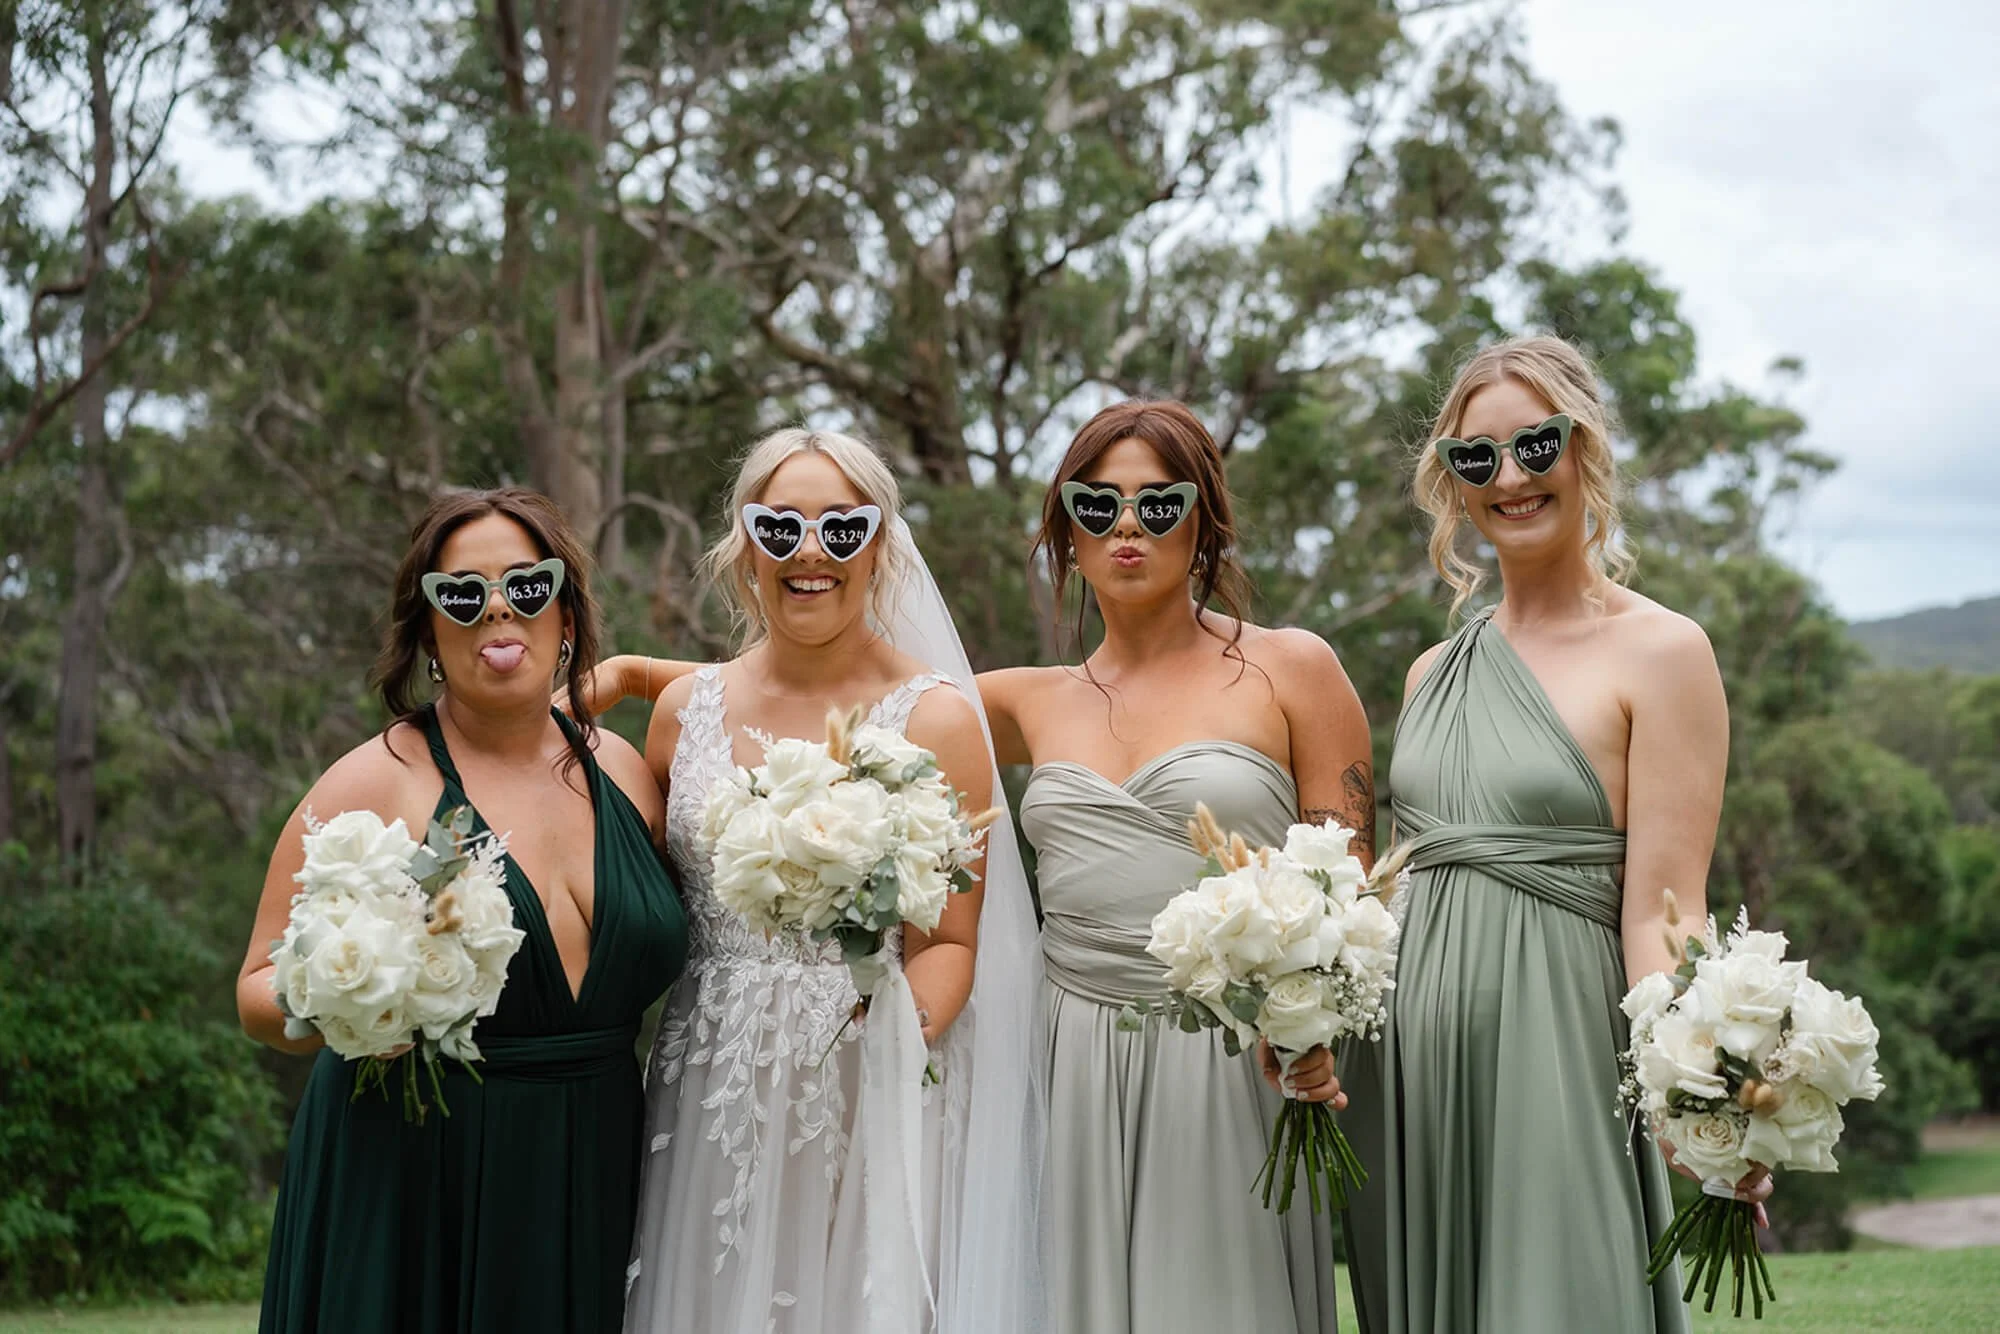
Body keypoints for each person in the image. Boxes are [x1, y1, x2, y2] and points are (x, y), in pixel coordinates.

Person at [1338, 335, 1760, 1332]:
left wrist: (1696, 1086)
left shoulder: (1661, 651)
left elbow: (1667, 905)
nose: (1510, 477)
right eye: (1474, 458)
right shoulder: (1429, 671)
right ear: (1448, 480)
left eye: (1535, 444)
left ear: (1583, 447)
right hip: (1416, 1075)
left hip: (1559, 1052)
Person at [621, 428, 1045, 1334]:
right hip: (709, 1080)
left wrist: (889, 1034)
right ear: (746, 548)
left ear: (880, 547)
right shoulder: (675, 718)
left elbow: (954, 938)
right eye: (780, 529)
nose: (810, 552)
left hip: (861, 1078)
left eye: (842, 530)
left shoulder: (935, 720)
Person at [239, 487, 688, 1333]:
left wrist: (636, 674)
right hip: (417, 1170)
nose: (495, 611)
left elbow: (779, 691)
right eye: (461, 593)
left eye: (527, 585)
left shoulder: (626, 769)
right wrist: (357, 1004)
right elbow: (257, 988)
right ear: (427, 627)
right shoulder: (372, 781)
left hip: (600, 1156)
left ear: (565, 611)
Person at [978, 399, 1370, 1334]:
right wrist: (631, 681)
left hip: (1235, 1062)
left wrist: (1313, 1028)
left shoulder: (1291, 670)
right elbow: (834, 690)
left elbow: (1350, 890)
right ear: (1064, 532)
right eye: (1096, 503)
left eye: (1159, 504)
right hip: (1065, 1059)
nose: (1125, 525)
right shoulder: (1024, 702)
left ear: (1203, 525)